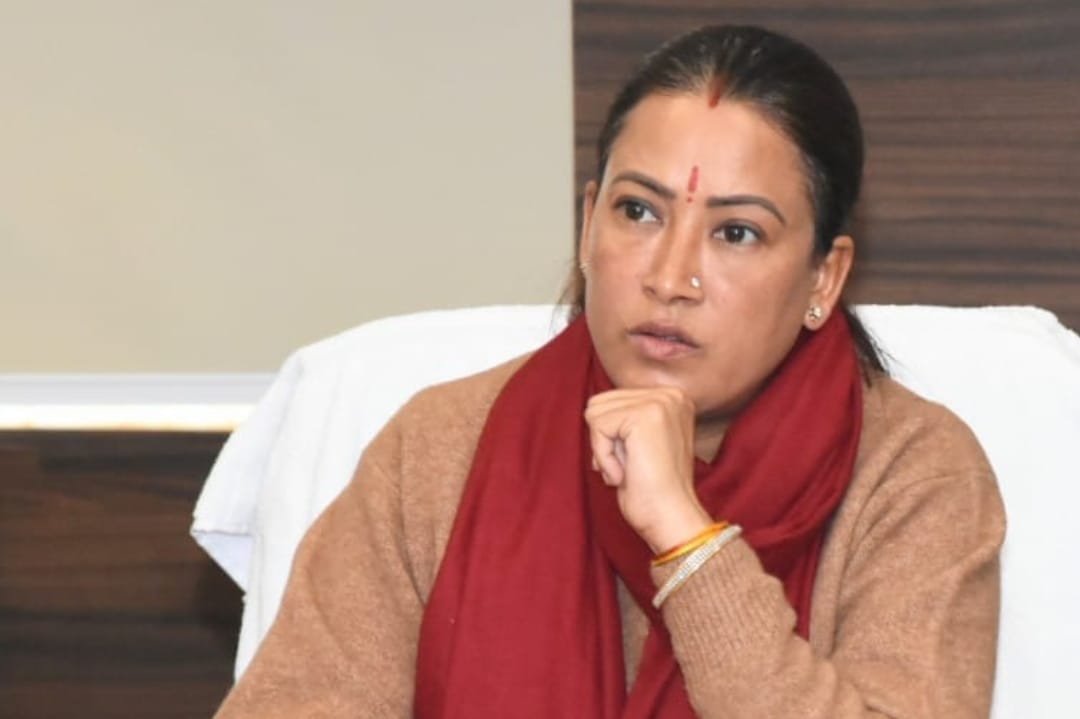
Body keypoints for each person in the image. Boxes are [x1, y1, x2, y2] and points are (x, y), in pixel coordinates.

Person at [214, 24, 1004, 718]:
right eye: (639, 212)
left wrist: (687, 539)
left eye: (735, 232)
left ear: (824, 278)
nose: (670, 276)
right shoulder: (439, 448)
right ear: (588, 223)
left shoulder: (913, 475)